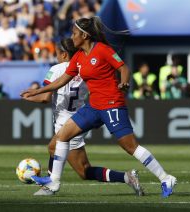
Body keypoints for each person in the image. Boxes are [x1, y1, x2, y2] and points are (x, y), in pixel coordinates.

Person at [21, 16, 177, 198]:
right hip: (93, 106)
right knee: (62, 136)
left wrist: (125, 83)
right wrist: (38, 90)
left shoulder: (103, 50)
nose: (72, 37)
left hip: (112, 104)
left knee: (130, 147)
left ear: (85, 35)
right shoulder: (78, 57)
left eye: (74, 33)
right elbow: (62, 80)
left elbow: (124, 68)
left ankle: (166, 178)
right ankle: (54, 182)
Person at [22, 38, 144, 196]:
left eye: (58, 53)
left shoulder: (57, 69)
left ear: (65, 55)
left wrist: (27, 96)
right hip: (80, 119)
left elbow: (45, 98)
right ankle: (127, 177)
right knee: (84, 171)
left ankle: (50, 186)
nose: (56, 57)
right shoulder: (83, 68)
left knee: (53, 146)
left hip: (67, 123)